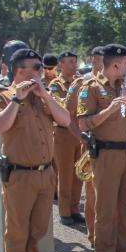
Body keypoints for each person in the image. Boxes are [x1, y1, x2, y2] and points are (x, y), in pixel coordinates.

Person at [0, 48, 70, 252]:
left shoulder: (44, 95)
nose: (41, 71)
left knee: (38, 230)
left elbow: (65, 120)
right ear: (19, 70)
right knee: (18, 231)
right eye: (36, 67)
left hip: (45, 173)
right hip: (20, 174)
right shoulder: (0, 95)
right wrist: (17, 100)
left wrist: (44, 94)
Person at [78, 44, 126, 252]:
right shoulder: (91, 88)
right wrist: (110, 109)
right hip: (106, 155)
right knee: (106, 209)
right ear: (116, 64)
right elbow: (83, 124)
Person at [64, 46, 104, 245]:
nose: (101, 64)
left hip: (113, 145)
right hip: (92, 144)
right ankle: (94, 234)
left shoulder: (114, 84)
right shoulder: (81, 84)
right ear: (93, 61)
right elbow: (68, 115)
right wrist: (80, 137)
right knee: (92, 193)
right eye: (98, 60)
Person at [48, 51, 85, 226]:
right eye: (70, 62)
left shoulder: (82, 82)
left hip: (79, 131)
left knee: (79, 173)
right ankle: (64, 210)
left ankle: (75, 208)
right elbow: (61, 104)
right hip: (63, 133)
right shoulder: (56, 84)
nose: (74, 65)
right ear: (61, 64)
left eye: (75, 61)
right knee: (65, 173)